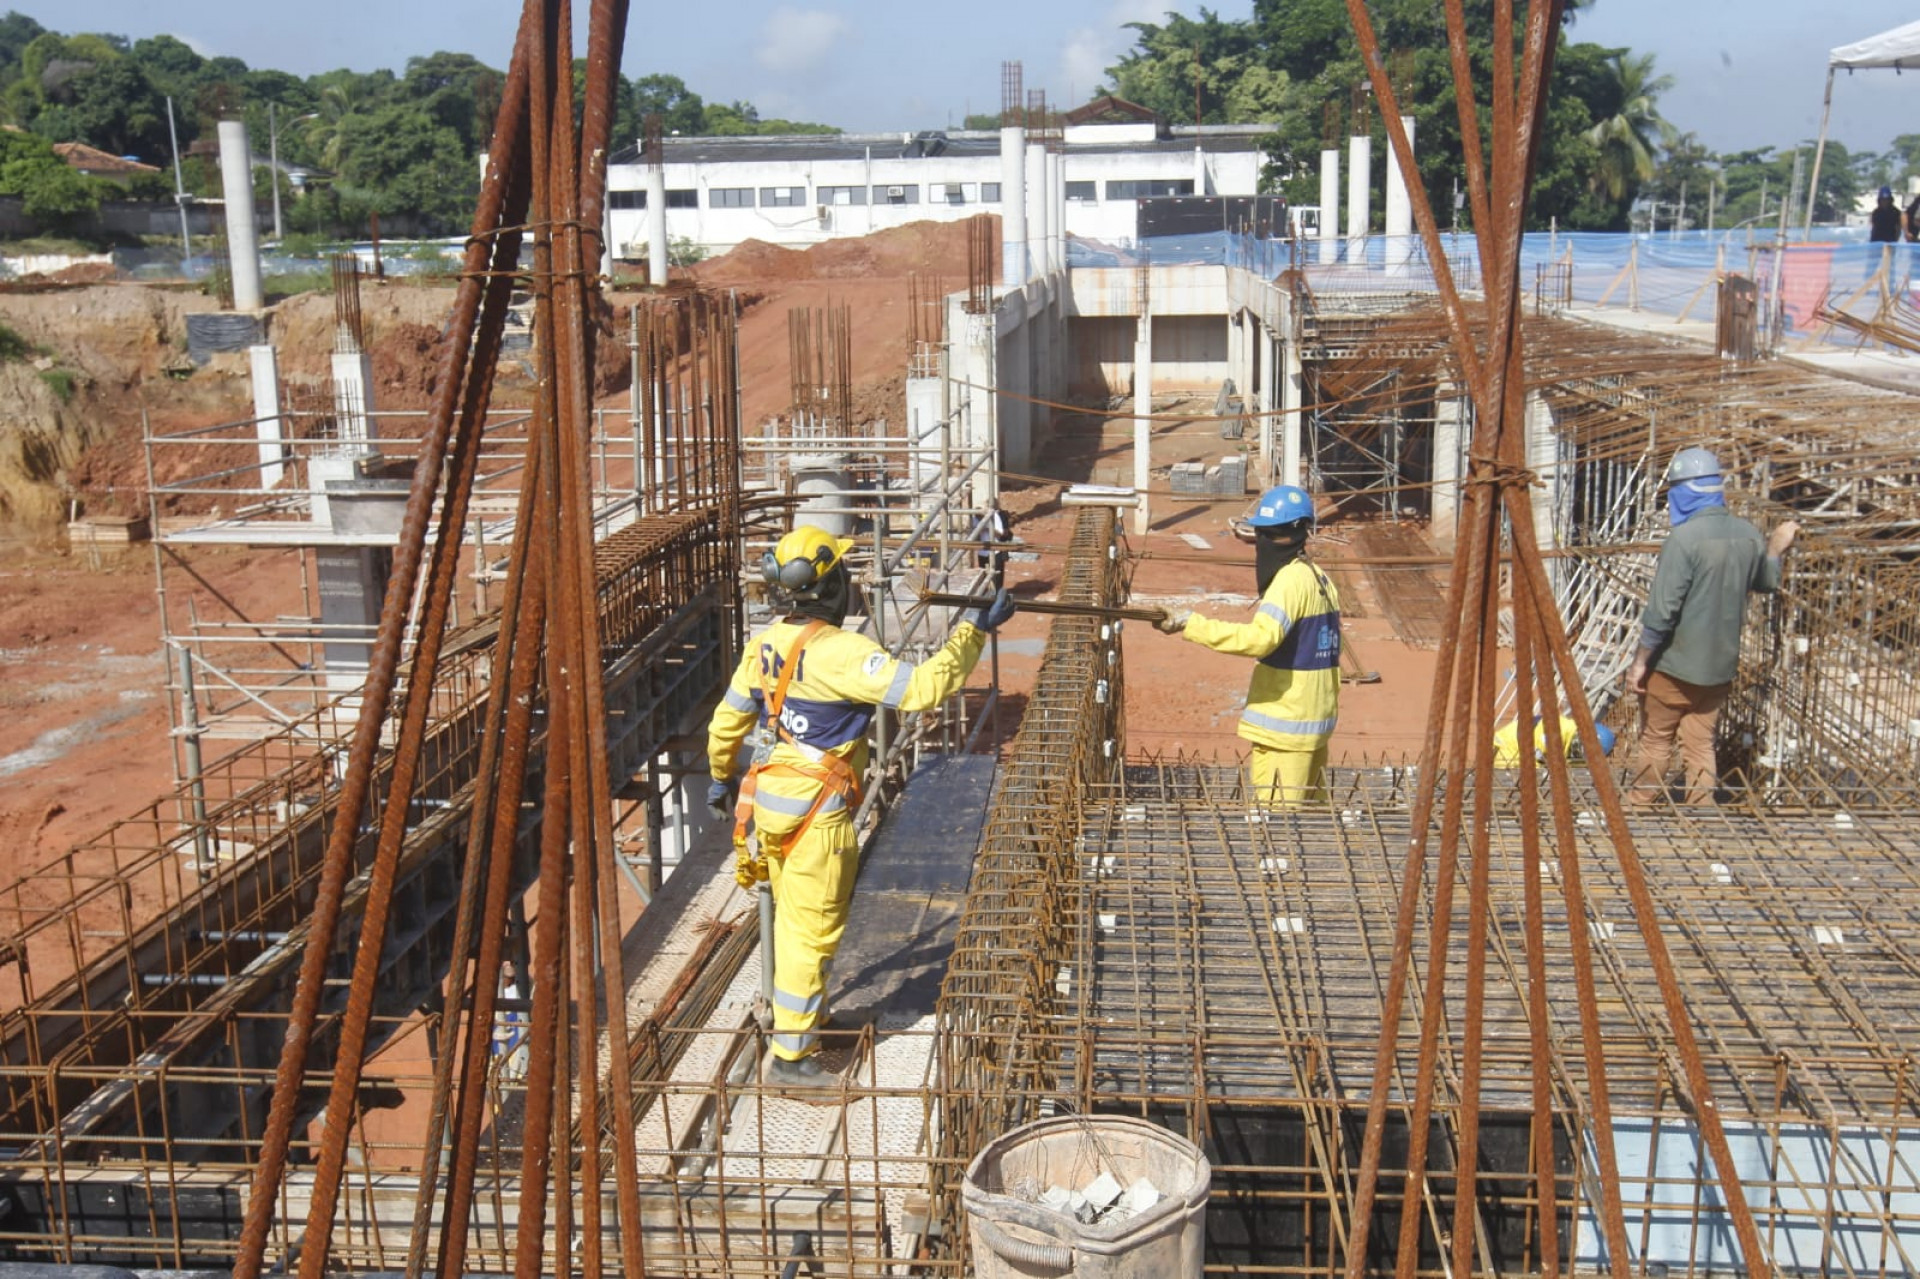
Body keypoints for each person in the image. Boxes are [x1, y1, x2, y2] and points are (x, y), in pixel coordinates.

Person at [705, 524, 1013, 1085]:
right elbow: (921, 690)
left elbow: (728, 721)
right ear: (830, 588)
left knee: (791, 921)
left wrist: (721, 777)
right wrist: (972, 630)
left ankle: (806, 1017)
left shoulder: (765, 645)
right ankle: (792, 1058)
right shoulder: (842, 654)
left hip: (769, 806)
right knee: (811, 931)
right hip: (815, 817)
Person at [1625, 448, 1798, 805]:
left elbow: (1662, 612)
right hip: (1718, 668)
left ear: (1683, 492)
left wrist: (1640, 661)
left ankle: (1639, 804)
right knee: (1701, 743)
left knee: (1657, 737)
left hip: (1674, 666)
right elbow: (1765, 582)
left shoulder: (1684, 539)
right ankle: (1701, 818)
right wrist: (1776, 548)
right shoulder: (1749, 535)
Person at [1156, 484, 1341, 808]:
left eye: (1266, 535)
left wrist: (1191, 623)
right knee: (1309, 822)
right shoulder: (1319, 577)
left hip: (1285, 727)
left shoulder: (1288, 582)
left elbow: (1260, 639)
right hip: (1314, 726)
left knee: (1278, 827)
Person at [1492, 717, 1616, 768]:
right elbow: (1535, 753)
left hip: (1538, 753)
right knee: (1506, 780)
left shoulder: (1580, 749)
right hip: (1511, 744)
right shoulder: (1555, 731)